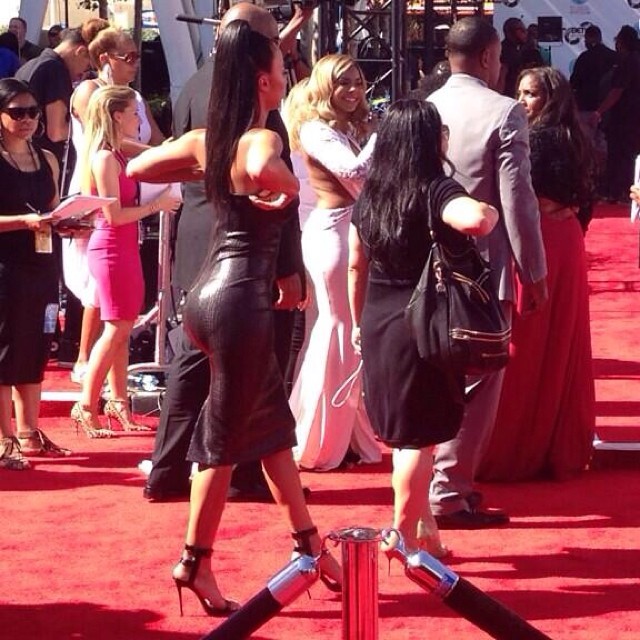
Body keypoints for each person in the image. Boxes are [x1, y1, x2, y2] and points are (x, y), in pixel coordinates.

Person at [127, 13, 341, 614]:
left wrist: (208, 168)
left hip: (208, 295)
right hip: (241, 302)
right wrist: (284, 188)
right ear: (264, 80)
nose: (287, 72)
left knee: (270, 429)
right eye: (281, 65)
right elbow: (268, 170)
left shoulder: (209, 140)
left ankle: (309, 545)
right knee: (221, 439)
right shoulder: (262, 136)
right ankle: (194, 560)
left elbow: (139, 169)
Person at [141, 2, 311, 503]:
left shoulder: (195, 84)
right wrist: (288, 263)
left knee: (192, 361)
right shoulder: (258, 115)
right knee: (259, 364)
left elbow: (149, 164)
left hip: (198, 238)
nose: (281, 53)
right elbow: (270, 181)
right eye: (275, 43)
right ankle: (243, 473)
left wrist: (198, 169)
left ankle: (169, 469)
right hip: (246, 250)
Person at [349, 98, 498, 555]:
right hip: (425, 324)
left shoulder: (372, 195)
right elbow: (474, 220)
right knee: (418, 440)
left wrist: (357, 322)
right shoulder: (435, 188)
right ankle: (399, 533)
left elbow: (356, 264)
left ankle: (425, 536)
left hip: (379, 319)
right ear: (432, 140)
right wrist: (490, 211)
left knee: (407, 436)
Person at [427, 17, 548, 529]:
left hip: (425, 265)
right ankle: (449, 492)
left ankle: (433, 486)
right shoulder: (504, 112)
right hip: (481, 267)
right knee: (479, 379)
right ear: (486, 57)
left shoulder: (424, 106)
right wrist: (533, 270)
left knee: (433, 374)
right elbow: (517, 199)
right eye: (499, 58)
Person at [478, 67, 596, 481]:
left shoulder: (534, 140)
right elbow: (586, 200)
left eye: (530, 94)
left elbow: (517, 199)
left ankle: (509, 447)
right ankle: (553, 444)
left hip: (538, 238)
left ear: (550, 98)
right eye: (520, 92)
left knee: (523, 343)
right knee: (561, 340)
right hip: (567, 238)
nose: (522, 101)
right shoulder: (578, 137)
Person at [286, 54, 382, 471]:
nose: (354, 90)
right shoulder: (314, 129)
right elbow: (354, 172)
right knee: (339, 329)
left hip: (349, 230)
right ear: (325, 87)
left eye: (358, 82)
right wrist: (382, 136)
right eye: (344, 83)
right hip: (332, 234)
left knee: (345, 332)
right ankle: (321, 442)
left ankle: (346, 438)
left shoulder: (343, 129)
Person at [69, 85, 180, 438]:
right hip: (112, 248)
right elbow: (113, 215)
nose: (140, 120)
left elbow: (146, 152)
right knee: (116, 328)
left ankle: (118, 401)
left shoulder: (116, 152)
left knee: (122, 326)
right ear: (117, 116)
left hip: (124, 247)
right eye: (134, 113)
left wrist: (169, 153)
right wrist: (156, 205)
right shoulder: (104, 158)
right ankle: (86, 404)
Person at [64, 26, 165, 390]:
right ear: (105, 58)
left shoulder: (133, 98)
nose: (135, 63)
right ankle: (84, 360)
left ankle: (112, 385)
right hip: (95, 187)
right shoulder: (89, 91)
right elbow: (108, 138)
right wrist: (161, 156)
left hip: (130, 187)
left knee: (116, 294)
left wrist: (172, 154)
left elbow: (156, 138)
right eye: (129, 57)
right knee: (97, 286)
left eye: (137, 56)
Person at [0, 78, 70, 468]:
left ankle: (29, 431)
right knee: (4, 349)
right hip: (5, 267)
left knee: (36, 345)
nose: (27, 119)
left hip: (42, 265)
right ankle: (4, 437)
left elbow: (53, 210)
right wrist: (23, 222)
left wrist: (70, 224)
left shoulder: (47, 159)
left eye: (33, 112)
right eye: (17, 112)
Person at [592, 25, 640, 204]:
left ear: (622, 42)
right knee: (630, 154)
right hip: (633, 116)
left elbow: (617, 91)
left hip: (625, 117)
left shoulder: (627, 62)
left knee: (620, 155)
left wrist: (599, 111)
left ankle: (619, 192)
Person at [570, 25, 616, 193]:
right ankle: (605, 183)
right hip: (608, 109)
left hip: (587, 108)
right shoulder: (613, 57)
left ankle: (589, 184)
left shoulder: (584, 58)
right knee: (605, 148)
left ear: (589, 38)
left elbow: (574, 83)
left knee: (586, 148)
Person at [498, 17, 542, 98]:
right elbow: (502, 76)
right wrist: (499, 97)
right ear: (511, 32)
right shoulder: (505, 50)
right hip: (508, 96)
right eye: (522, 30)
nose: (526, 33)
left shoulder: (518, 49)